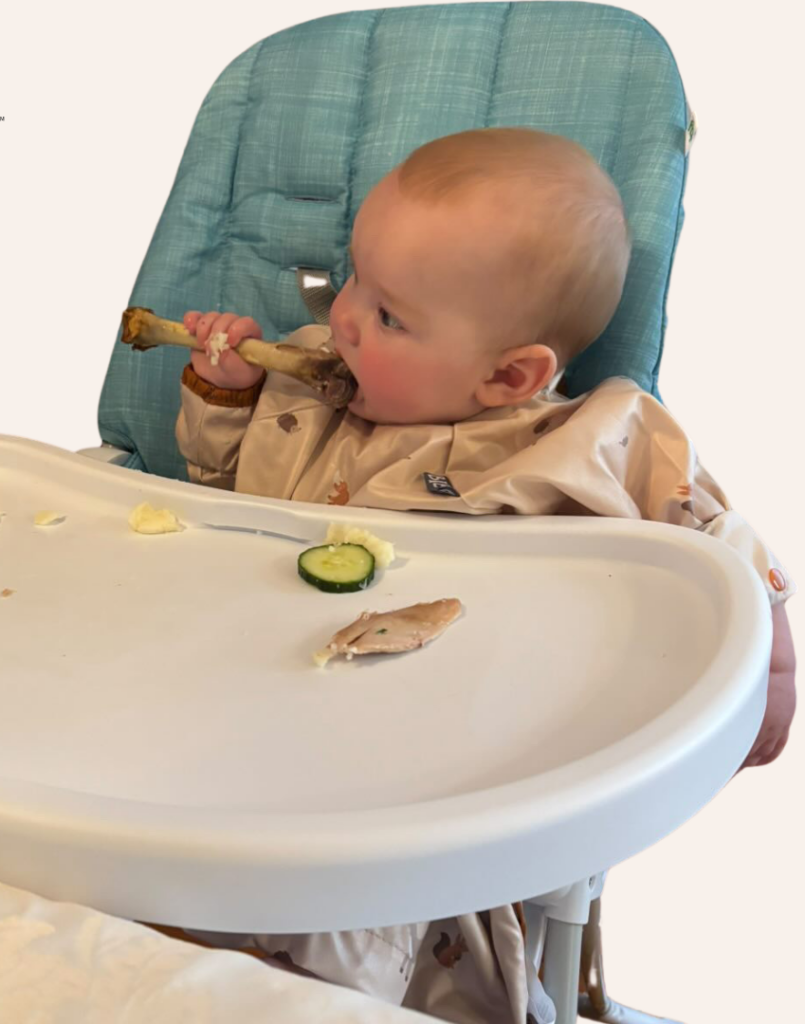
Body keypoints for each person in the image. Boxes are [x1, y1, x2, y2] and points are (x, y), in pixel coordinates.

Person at [172, 127, 797, 1024]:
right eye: (354, 279)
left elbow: (716, 543)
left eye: (389, 316)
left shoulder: (583, 442)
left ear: (511, 375)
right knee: (160, 889)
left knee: (332, 929)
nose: (344, 319)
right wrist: (222, 390)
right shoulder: (313, 390)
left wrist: (769, 670)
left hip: (418, 786)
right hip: (243, 717)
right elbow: (219, 494)